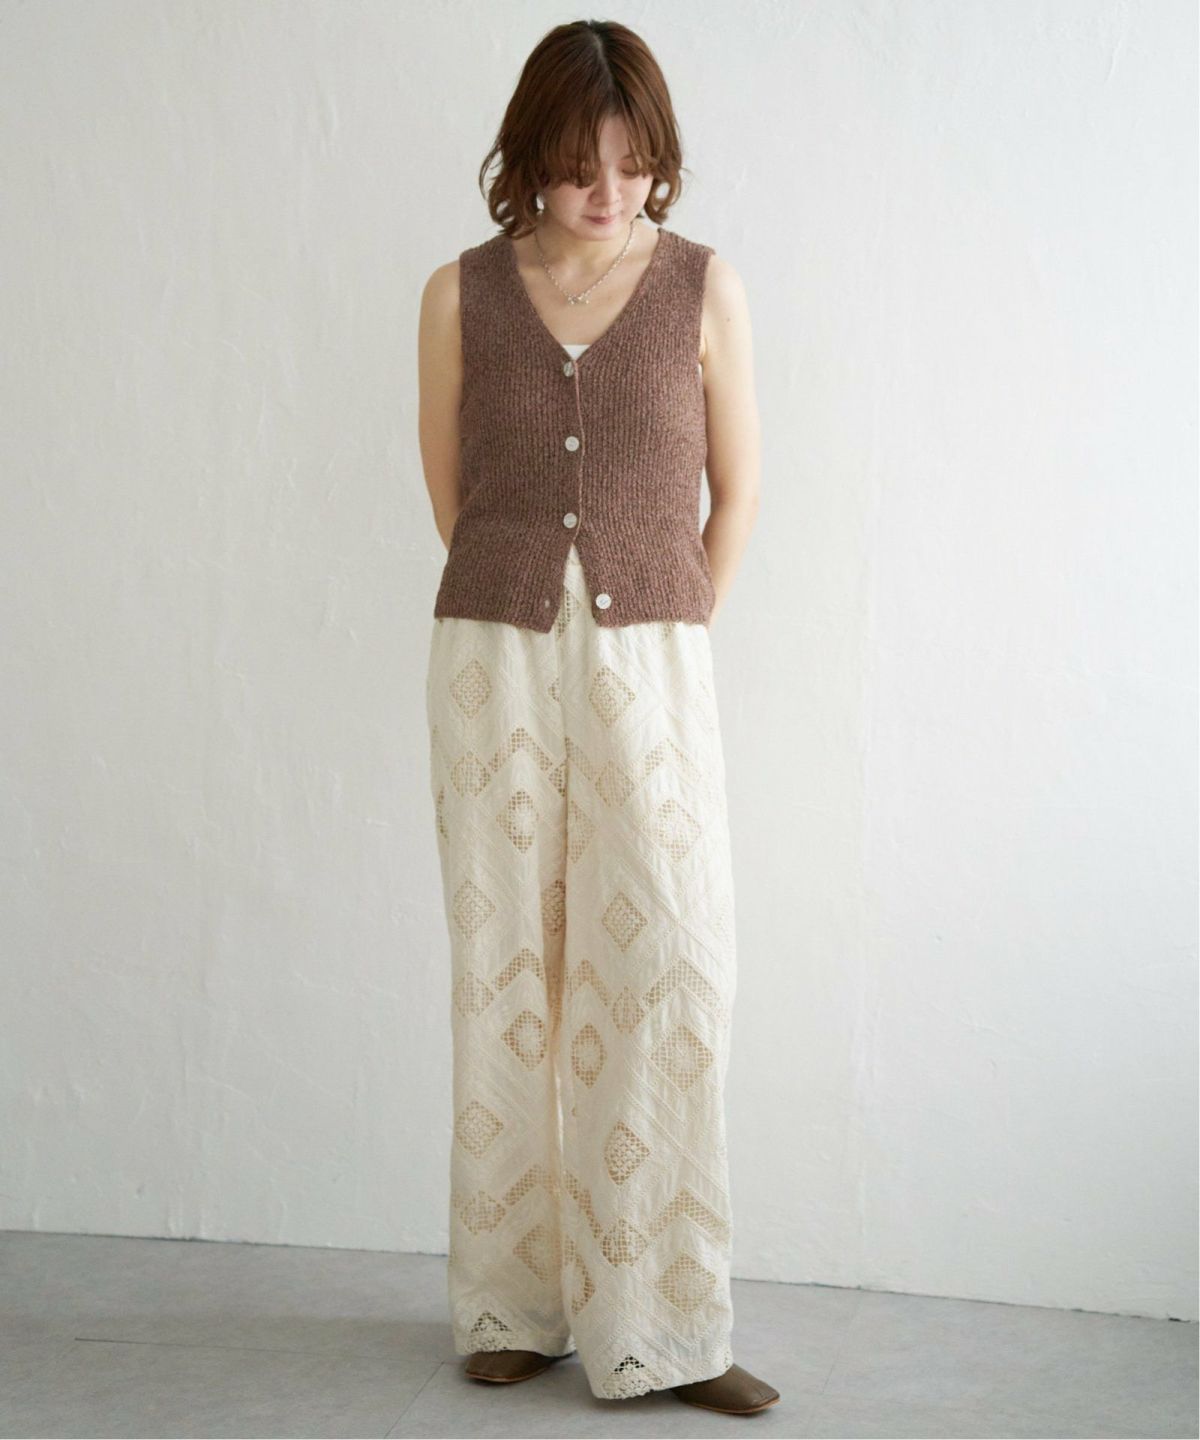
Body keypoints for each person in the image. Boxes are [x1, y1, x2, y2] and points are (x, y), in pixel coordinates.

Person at [417, 17, 769, 1416]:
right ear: (529, 162)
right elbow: (451, 491)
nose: (606, 191)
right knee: (507, 968)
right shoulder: (458, 294)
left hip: (653, 664)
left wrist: (669, 628)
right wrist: (531, 598)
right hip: (491, 657)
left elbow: (739, 488)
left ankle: (668, 1323)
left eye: (631, 163)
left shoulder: (702, 287)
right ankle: (513, 1304)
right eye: (576, 165)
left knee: (669, 964)